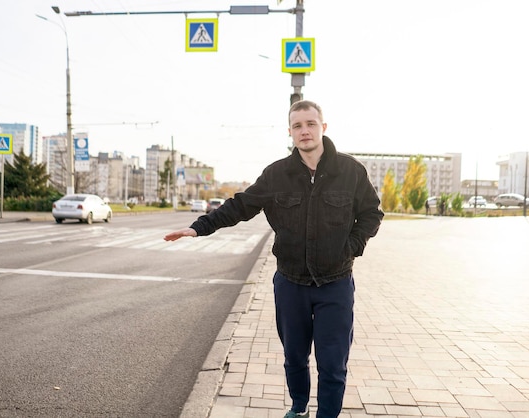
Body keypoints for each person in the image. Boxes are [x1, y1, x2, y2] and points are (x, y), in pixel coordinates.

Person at [164, 100, 384, 418]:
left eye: (310, 124)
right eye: (297, 125)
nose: (304, 131)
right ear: (290, 132)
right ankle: (298, 408)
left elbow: (371, 214)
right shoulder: (277, 174)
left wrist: (352, 246)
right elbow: (240, 205)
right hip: (291, 283)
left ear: (323, 127)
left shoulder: (350, 171)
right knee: (294, 356)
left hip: (335, 283)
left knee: (333, 363)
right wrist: (198, 228)